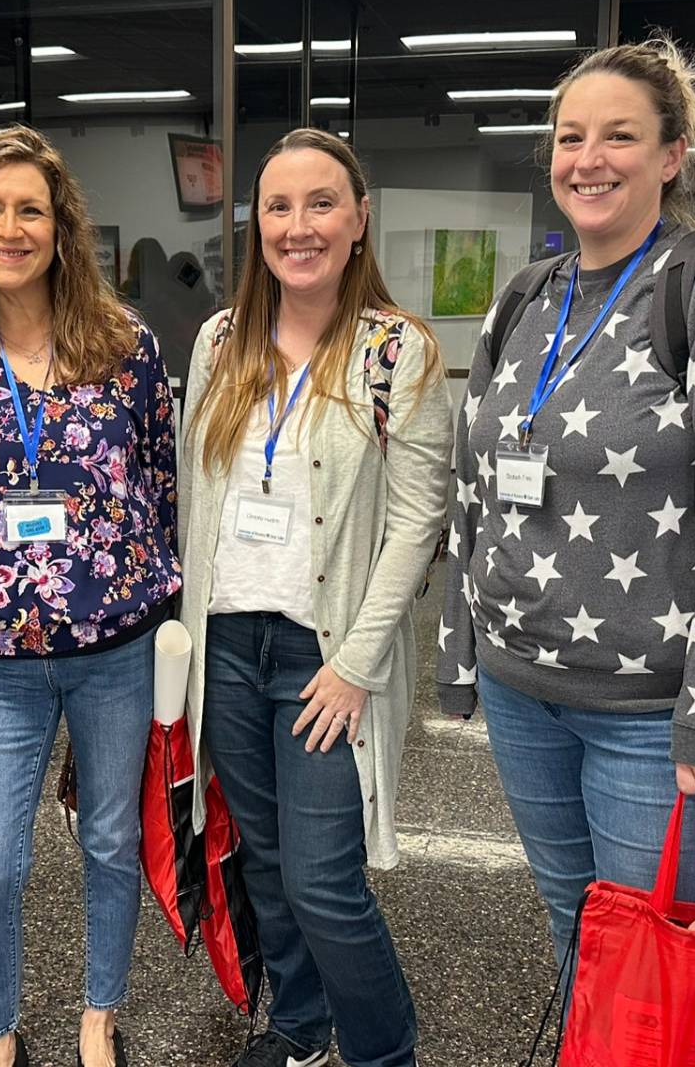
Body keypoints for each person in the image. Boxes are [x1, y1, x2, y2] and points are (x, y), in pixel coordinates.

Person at [435, 37, 695, 959]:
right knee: (581, 939)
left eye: (619, 137)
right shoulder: (526, 296)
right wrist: (460, 656)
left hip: (658, 713)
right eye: (570, 138)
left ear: (672, 154)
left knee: (658, 965)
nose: (587, 159)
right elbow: (473, 482)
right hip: (528, 690)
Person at [0, 126, 179, 1067]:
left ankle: (100, 1011)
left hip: (115, 652)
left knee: (108, 841)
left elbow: (162, 488)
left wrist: (168, 615)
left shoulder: (126, 347)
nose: (10, 228)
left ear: (63, 229)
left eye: (31, 210)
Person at [175, 129, 452, 1067]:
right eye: (280, 208)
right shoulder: (220, 343)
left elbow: (419, 523)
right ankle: (298, 1026)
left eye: (321, 203)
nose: (300, 227)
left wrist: (355, 663)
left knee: (328, 880)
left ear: (360, 218)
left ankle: (383, 1050)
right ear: (258, 228)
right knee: (265, 860)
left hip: (324, 654)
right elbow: (193, 499)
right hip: (227, 646)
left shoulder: (395, 350)